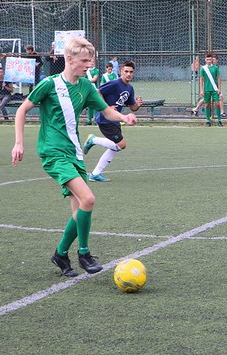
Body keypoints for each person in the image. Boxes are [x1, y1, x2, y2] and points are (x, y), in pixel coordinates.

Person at [11, 36, 137, 277]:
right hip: (53, 153)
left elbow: (106, 110)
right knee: (88, 199)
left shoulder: (86, 87)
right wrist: (18, 143)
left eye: (90, 61)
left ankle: (60, 254)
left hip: (74, 153)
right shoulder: (49, 84)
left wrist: (124, 117)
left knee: (78, 210)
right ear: (69, 59)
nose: (89, 65)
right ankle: (84, 254)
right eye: (84, 61)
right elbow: (21, 110)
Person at [83, 61, 142, 182]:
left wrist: (138, 104)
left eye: (131, 72)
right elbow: (97, 92)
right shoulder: (115, 83)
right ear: (120, 71)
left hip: (115, 120)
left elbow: (132, 107)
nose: (128, 74)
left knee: (116, 147)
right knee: (121, 145)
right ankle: (93, 140)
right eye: (126, 71)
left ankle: (95, 174)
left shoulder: (130, 88)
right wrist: (106, 107)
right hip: (105, 118)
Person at [197, 53, 223, 126]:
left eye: (210, 59)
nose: (209, 61)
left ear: (212, 60)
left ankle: (219, 120)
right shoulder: (203, 68)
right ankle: (208, 120)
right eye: (207, 59)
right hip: (206, 89)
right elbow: (201, 79)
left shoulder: (215, 68)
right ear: (205, 60)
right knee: (207, 104)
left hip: (215, 89)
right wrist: (201, 90)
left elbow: (218, 78)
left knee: (217, 104)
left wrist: (219, 89)